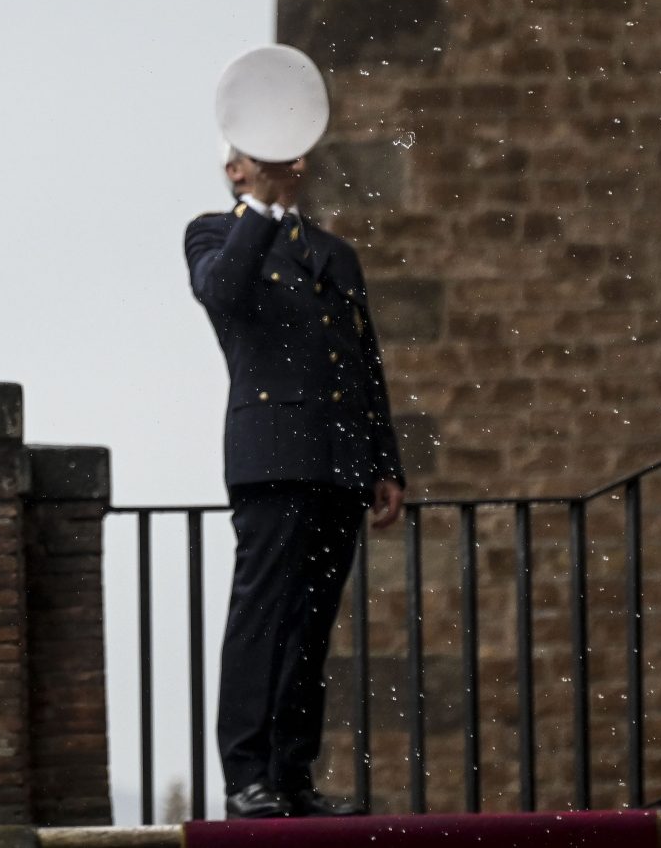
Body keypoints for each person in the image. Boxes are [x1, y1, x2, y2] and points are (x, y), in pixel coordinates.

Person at [185, 148, 406, 819]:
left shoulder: (335, 254)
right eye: (259, 155)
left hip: (338, 463)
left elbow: (363, 361)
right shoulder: (216, 233)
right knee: (262, 621)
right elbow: (223, 293)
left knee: (311, 626)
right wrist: (267, 207)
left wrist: (385, 461)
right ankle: (246, 775)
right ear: (235, 173)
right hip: (272, 458)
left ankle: (290, 776)